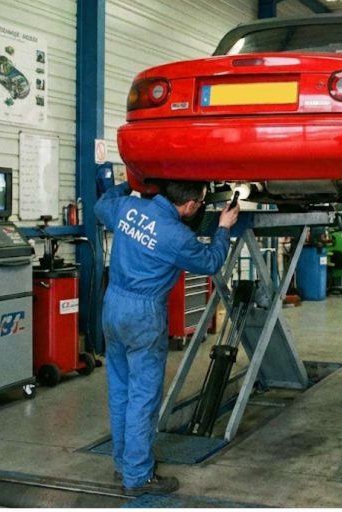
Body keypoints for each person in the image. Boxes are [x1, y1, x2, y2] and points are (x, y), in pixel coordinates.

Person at [95, 180, 239, 495]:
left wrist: (131, 183)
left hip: (113, 305)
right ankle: (137, 477)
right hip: (143, 315)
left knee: (120, 391)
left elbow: (100, 205)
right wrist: (224, 227)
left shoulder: (129, 208)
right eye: (200, 203)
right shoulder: (177, 236)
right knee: (143, 399)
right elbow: (211, 261)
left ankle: (124, 464)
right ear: (189, 205)